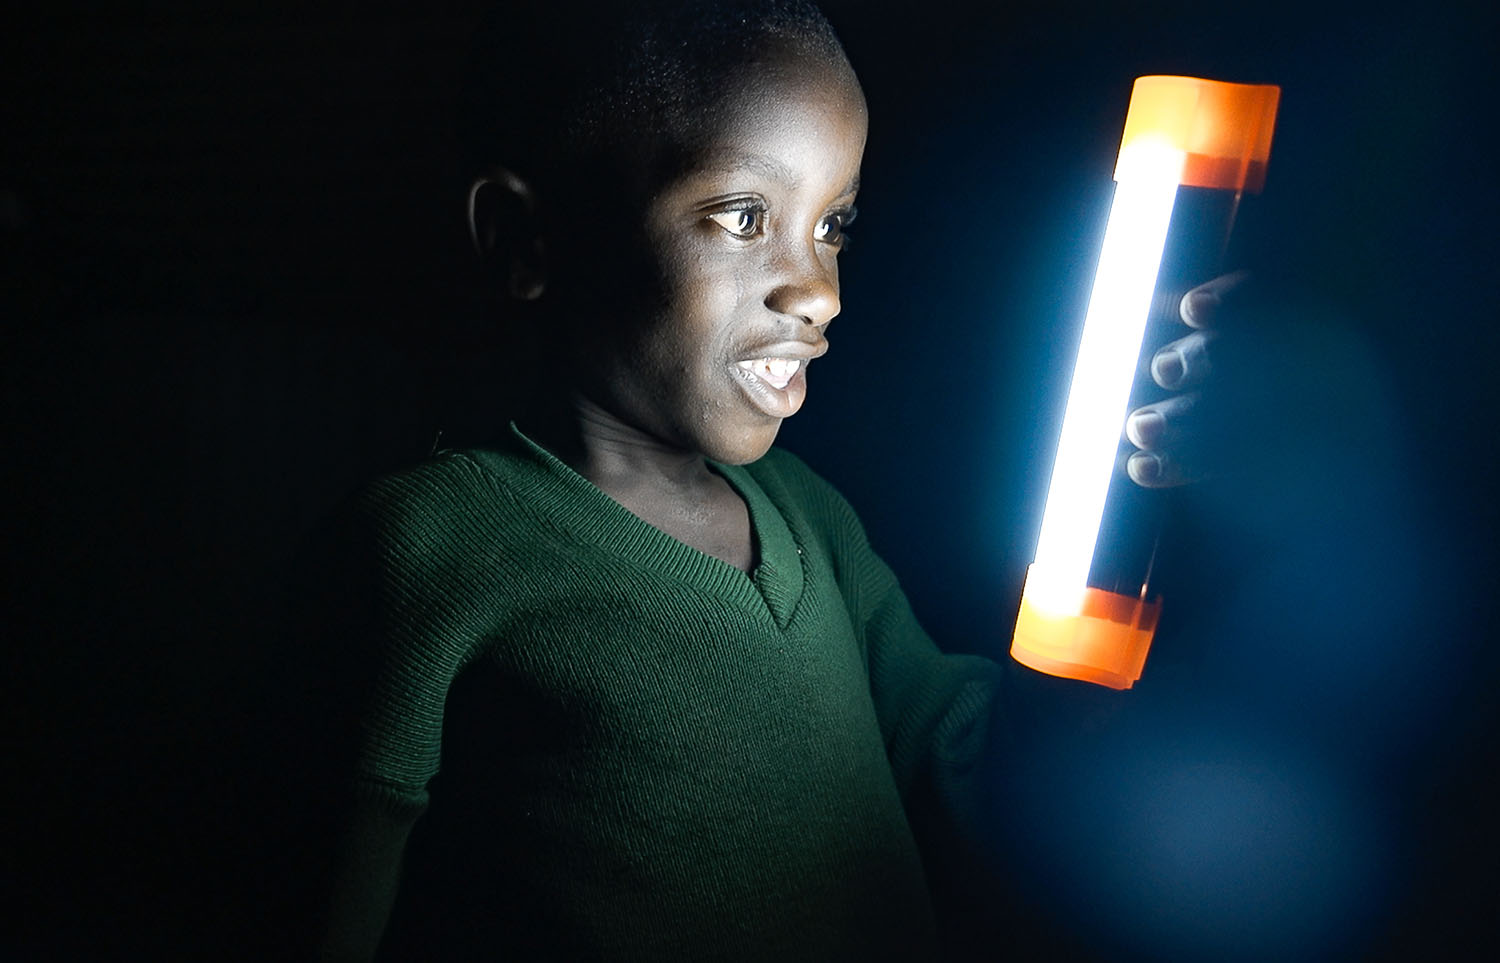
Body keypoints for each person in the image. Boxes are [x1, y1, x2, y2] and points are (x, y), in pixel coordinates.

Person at [306, 1, 1235, 959]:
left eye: (831, 224)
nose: (819, 289)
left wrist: (1187, 522)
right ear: (526, 238)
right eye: (744, 217)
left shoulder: (809, 520)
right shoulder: (426, 549)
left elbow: (987, 771)